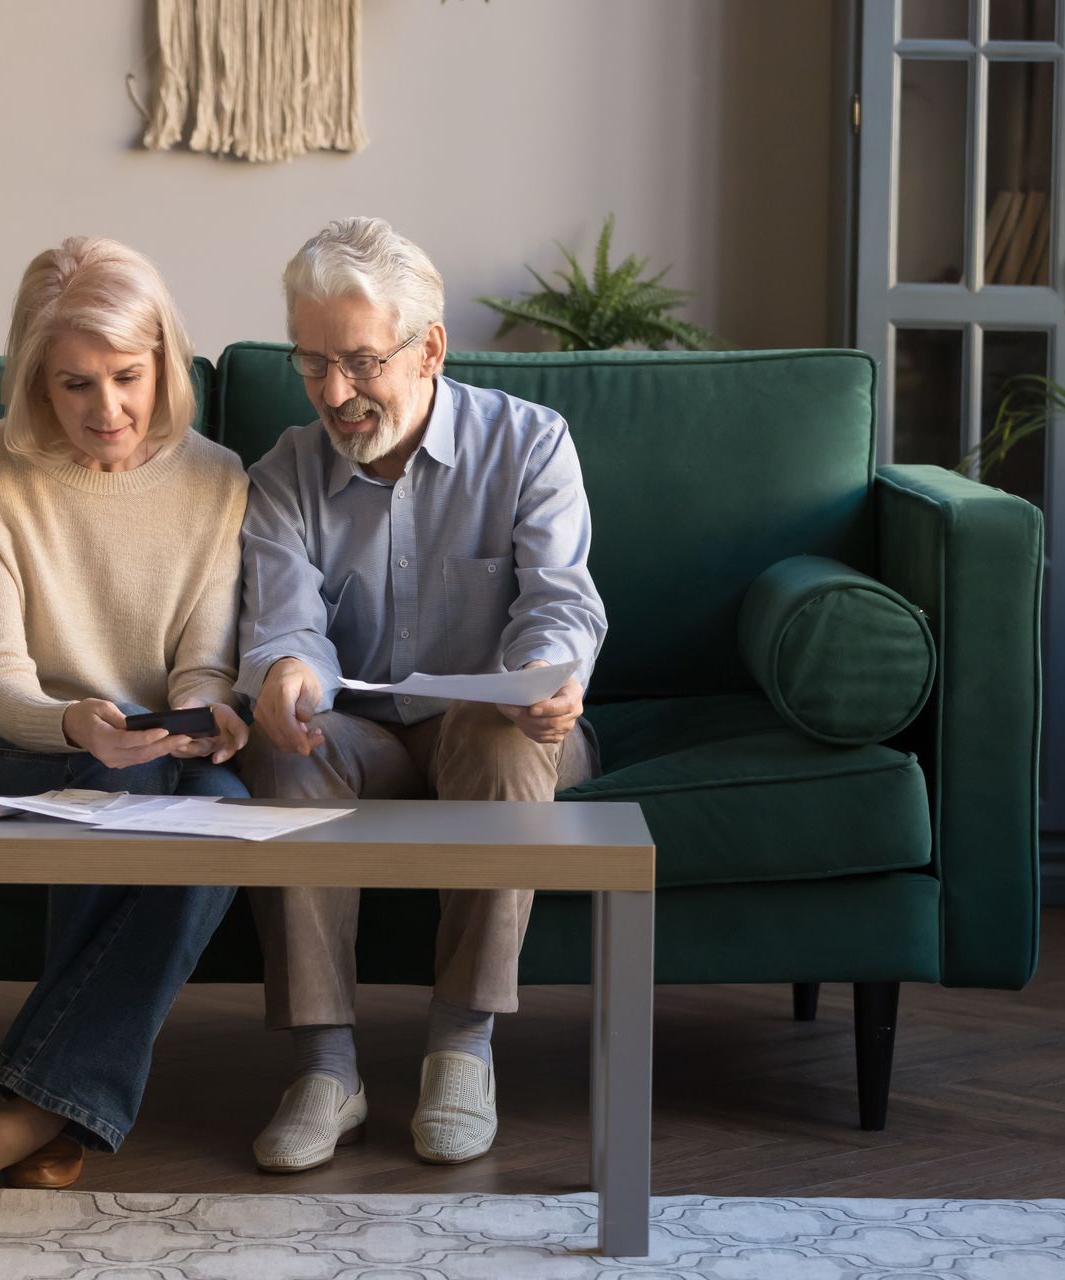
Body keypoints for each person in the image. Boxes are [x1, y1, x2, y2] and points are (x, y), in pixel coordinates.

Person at [236, 217, 608, 1172]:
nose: (334, 393)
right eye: (311, 364)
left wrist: (551, 680)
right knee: (281, 738)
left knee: (500, 732)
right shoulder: (283, 473)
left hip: (497, 732)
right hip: (361, 735)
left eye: (358, 362)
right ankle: (326, 1070)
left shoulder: (529, 444)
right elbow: (287, 621)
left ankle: (462, 1048)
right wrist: (286, 675)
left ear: (429, 348)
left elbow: (559, 606)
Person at [0, 236, 250, 1190]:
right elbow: (1, 677)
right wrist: (78, 726)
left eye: (128, 378)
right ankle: (48, 1108)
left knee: (224, 807)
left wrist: (205, 713)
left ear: (165, 363)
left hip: (143, 740)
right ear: (34, 379)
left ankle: (34, 1110)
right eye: (74, 386)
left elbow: (203, 661)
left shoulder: (219, 479)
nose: (107, 410)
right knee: (128, 770)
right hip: (1, 731)